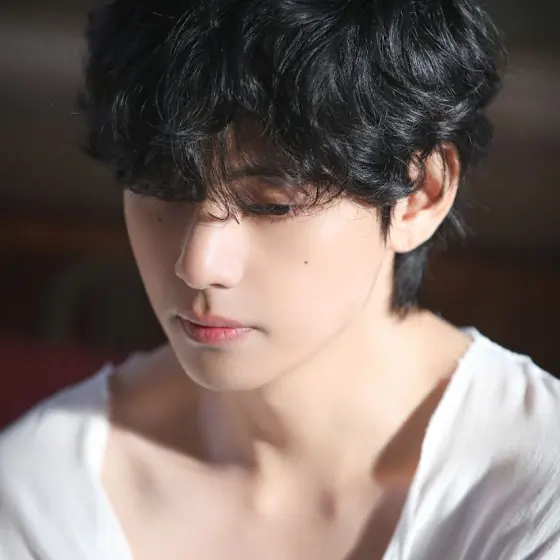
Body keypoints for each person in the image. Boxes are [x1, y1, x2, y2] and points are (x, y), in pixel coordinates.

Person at [1, 0, 559, 558]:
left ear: (419, 194)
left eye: (272, 205)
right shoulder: (44, 494)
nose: (198, 264)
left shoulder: (535, 497)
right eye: (162, 188)